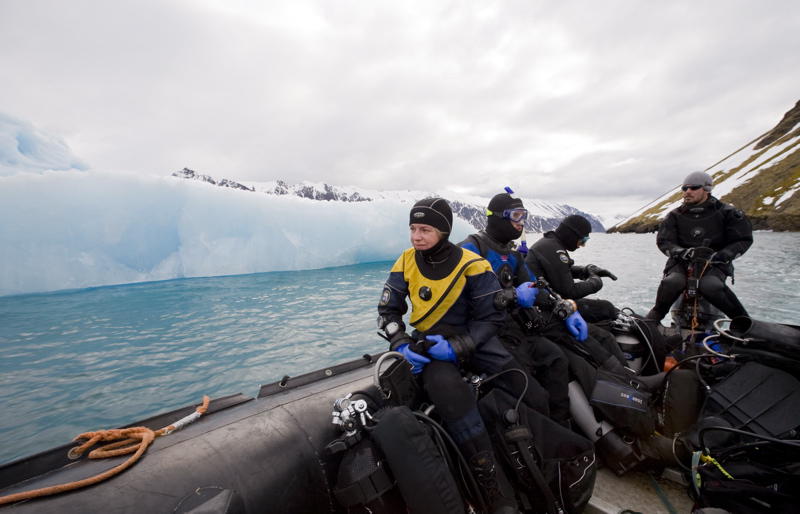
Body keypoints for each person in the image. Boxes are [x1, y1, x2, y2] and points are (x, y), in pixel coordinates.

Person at [377, 197, 549, 514]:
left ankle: (543, 461)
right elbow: (388, 311)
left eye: (425, 229)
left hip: (475, 341)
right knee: (448, 393)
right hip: (429, 347)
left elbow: (490, 319)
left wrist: (459, 347)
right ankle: (494, 487)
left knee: (531, 391)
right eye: (413, 228)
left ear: (443, 230)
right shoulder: (405, 261)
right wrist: (400, 342)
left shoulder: (472, 264)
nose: (416, 236)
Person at [459, 190, 575, 426]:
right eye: (516, 216)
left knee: (557, 359)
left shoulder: (512, 254)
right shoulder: (471, 249)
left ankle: (564, 430)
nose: (521, 222)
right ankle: (536, 441)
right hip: (485, 335)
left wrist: (562, 304)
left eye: (524, 216)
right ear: (499, 217)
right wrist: (511, 295)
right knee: (533, 391)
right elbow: (462, 299)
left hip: (515, 329)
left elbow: (534, 286)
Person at [646, 171, 753, 323]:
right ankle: (654, 318)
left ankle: (743, 322)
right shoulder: (674, 216)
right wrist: (681, 252)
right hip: (681, 262)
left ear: (707, 189)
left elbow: (743, 239)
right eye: (684, 188)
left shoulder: (728, 213)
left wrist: (723, 255)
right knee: (672, 282)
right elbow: (664, 241)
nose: (687, 192)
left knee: (710, 286)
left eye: (694, 187)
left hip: (714, 264)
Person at [527, 214, 619, 323]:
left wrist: (587, 269)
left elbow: (562, 270)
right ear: (572, 235)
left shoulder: (550, 243)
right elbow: (569, 292)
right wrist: (596, 283)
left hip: (548, 300)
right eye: (583, 240)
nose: (582, 245)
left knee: (607, 308)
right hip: (546, 308)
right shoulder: (554, 250)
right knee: (606, 308)